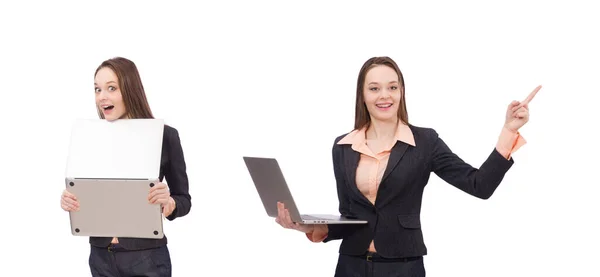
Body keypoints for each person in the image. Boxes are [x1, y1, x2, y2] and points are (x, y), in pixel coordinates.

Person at [275, 56, 540, 277]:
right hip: (350, 267)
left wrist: (508, 131)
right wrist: (308, 227)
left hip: (403, 267)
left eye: (392, 87)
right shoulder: (343, 146)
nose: (384, 96)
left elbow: (479, 185)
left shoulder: (425, 142)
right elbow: (348, 217)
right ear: (362, 95)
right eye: (374, 88)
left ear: (401, 92)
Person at [59, 57, 192, 277]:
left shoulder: (164, 135)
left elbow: (184, 200)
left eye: (111, 88)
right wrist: (70, 200)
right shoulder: (90, 138)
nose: (102, 97)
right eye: (97, 89)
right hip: (101, 256)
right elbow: (89, 191)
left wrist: (169, 204)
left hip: (146, 257)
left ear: (130, 89)